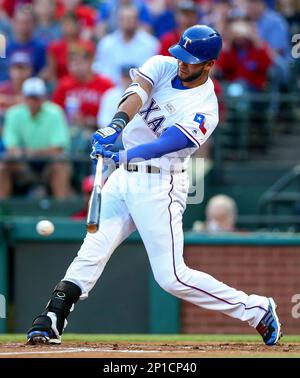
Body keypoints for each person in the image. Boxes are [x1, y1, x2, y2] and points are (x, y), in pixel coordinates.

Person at [26, 25, 281, 347]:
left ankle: (256, 309)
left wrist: (122, 153)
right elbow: (137, 93)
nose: (183, 64)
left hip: (160, 184)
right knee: (93, 250)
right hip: (122, 178)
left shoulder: (205, 107)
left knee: (171, 277)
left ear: (210, 65)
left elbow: (167, 143)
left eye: (191, 61)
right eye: (182, 57)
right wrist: (115, 127)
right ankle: (53, 316)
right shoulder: (162, 64)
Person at [0, 78, 72, 199]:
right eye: (29, 97)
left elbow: (58, 149)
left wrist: (27, 152)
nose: (33, 101)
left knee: (60, 165)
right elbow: (11, 148)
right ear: (23, 97)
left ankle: (61, 210)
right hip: (22, 164)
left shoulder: (55, 112)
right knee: (3, 166)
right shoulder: (13, 114)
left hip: (48, 163)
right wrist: (27, 154)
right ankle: (2, 210)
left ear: (43, 97)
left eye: (36, 97)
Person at [52, 42, 114, 131]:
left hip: (98, 131)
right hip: (69, 130)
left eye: (80, 62)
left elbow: (110, 117)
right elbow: (55, 113)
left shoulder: (106, 84)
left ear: (90, 61)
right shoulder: (64, 85)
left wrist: (90, 121)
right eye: (72, 62)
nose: (75, 66)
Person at [93, 4, 159, 84]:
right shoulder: (106, 43)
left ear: (138, 21)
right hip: (113, 89)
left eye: (131, 19)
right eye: (124, 19)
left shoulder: (151, 43)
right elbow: (102, 70)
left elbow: (153, 72)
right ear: (118, 21)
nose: (128, 22)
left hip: (143, 89)